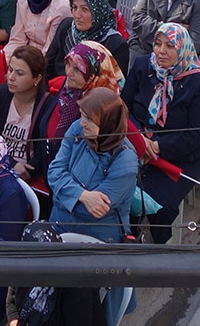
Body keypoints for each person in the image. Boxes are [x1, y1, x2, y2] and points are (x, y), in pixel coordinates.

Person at [123, 21, 200, 243]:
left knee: (156, 206)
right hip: (135, 145)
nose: (161, 51)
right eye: (158, 44)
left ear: (182, 49)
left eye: (170, 46)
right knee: (117, 189)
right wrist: (140, 140)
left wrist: (157, 146)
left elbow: (195, 134)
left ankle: (156, 250)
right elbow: (124, 108)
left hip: (178, 159)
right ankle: (125, 240)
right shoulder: (144, 66)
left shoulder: (198, 83)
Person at [46, 88, 138, 241]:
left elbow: (94, 210)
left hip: (97, 237)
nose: (82, 123)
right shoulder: (77, 129)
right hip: (59, 224)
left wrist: (62, 192)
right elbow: (54, 171)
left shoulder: (125, 161)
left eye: (89, 119)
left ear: (107, 122)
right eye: (82, 115)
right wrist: (82, 195)